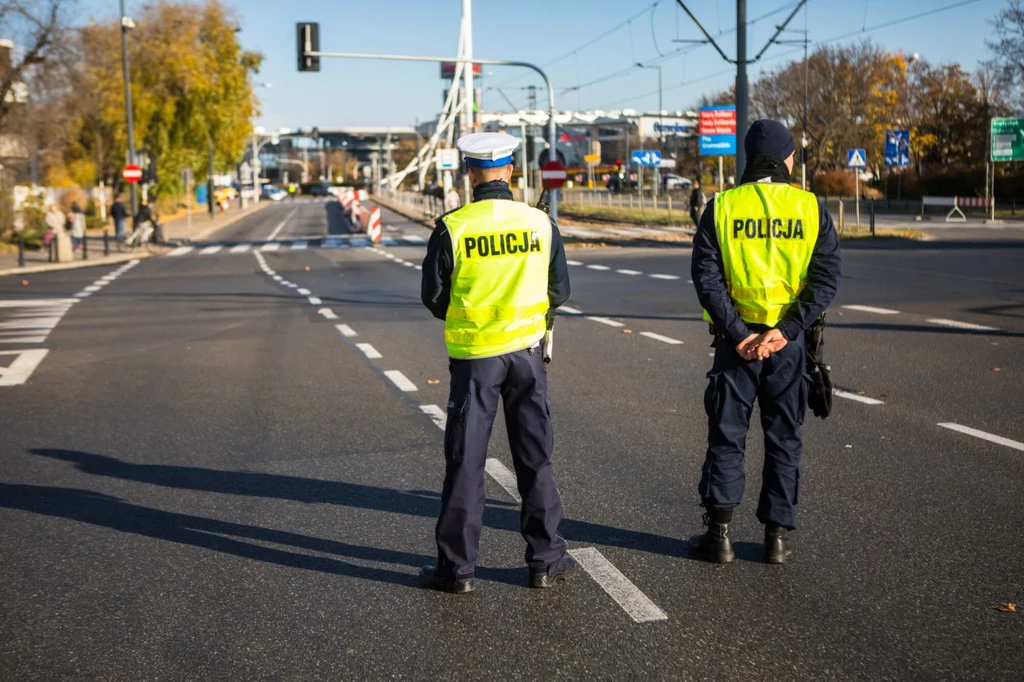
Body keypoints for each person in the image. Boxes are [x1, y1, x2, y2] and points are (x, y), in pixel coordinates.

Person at [419, 132, 574, 594]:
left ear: (470, 174)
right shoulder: (540, 223)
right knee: (535, 457)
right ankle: (545, 560)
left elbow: (434, 297)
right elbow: (560, 291)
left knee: (466, 462)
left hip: (475, 362)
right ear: (510, 171)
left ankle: (457, 570)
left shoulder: (453, 227)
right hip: (527, 357)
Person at [689, 119, 841, 565]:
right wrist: (787, 330)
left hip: (736, 348)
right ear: (787, 158)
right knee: (784, 437)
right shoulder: (810, 209)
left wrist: (739, 335)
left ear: (749, 160)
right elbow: (827, 279)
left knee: (727, 435)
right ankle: (776, 538)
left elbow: (707, 278)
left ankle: (719, 536)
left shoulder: (721, 208)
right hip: (788, 347)